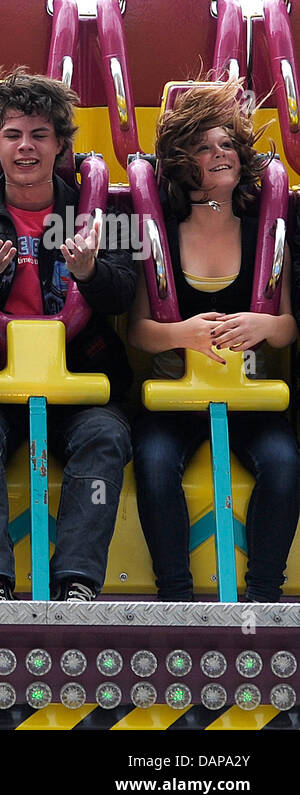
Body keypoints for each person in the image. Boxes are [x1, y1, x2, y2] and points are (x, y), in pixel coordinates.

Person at [0, 68, 137, 602]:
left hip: (76, 379)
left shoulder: (97, 211)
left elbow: (123, 296)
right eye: (13, 135)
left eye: (40, 135)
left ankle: (76, 584)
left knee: (106, 435)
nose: (26, 147)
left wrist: (90, 272)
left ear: (60, 145)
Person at [129, 81, 299, 602]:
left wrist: (264, 327)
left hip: (249, 397)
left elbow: (289, 324)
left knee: (285, 464)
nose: (219, 154)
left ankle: (264, 595)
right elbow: (139, 331)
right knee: (155, 466)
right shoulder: (159, 233)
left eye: (226, 144)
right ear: (182, 163)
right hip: (176, 399)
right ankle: (175, 598)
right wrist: (185, 334)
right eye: (203, 147)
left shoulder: (264, 235)